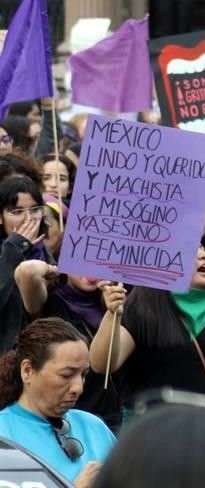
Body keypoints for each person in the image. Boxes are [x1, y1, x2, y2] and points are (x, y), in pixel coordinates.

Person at [89, 246, 205, 406]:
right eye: (193, 250)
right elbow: (101, 364)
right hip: (152, 433)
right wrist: (112, 314)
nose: (204, 255)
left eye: (204, 249)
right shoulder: (141, 310)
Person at [0, 318, 115, 486]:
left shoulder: (94, 427)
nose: (78, 388)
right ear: (27, 371)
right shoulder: (3, 434)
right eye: (66, 375)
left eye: (83, 375)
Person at [14, 261, 123, 429]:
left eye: (100, 262)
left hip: (104, 418)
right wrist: (61, 267)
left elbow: (101, 364)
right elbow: (27, 271)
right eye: (84, 261)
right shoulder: (49, 299)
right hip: (58, 416)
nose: (92, 269)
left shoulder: (118, 302)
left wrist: (112, 312)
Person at [0, 175, 53, 352]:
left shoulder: (45, 252)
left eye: (35, 210)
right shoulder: (8, 251)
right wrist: (14, 248)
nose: (28, 219)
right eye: (17, 212)